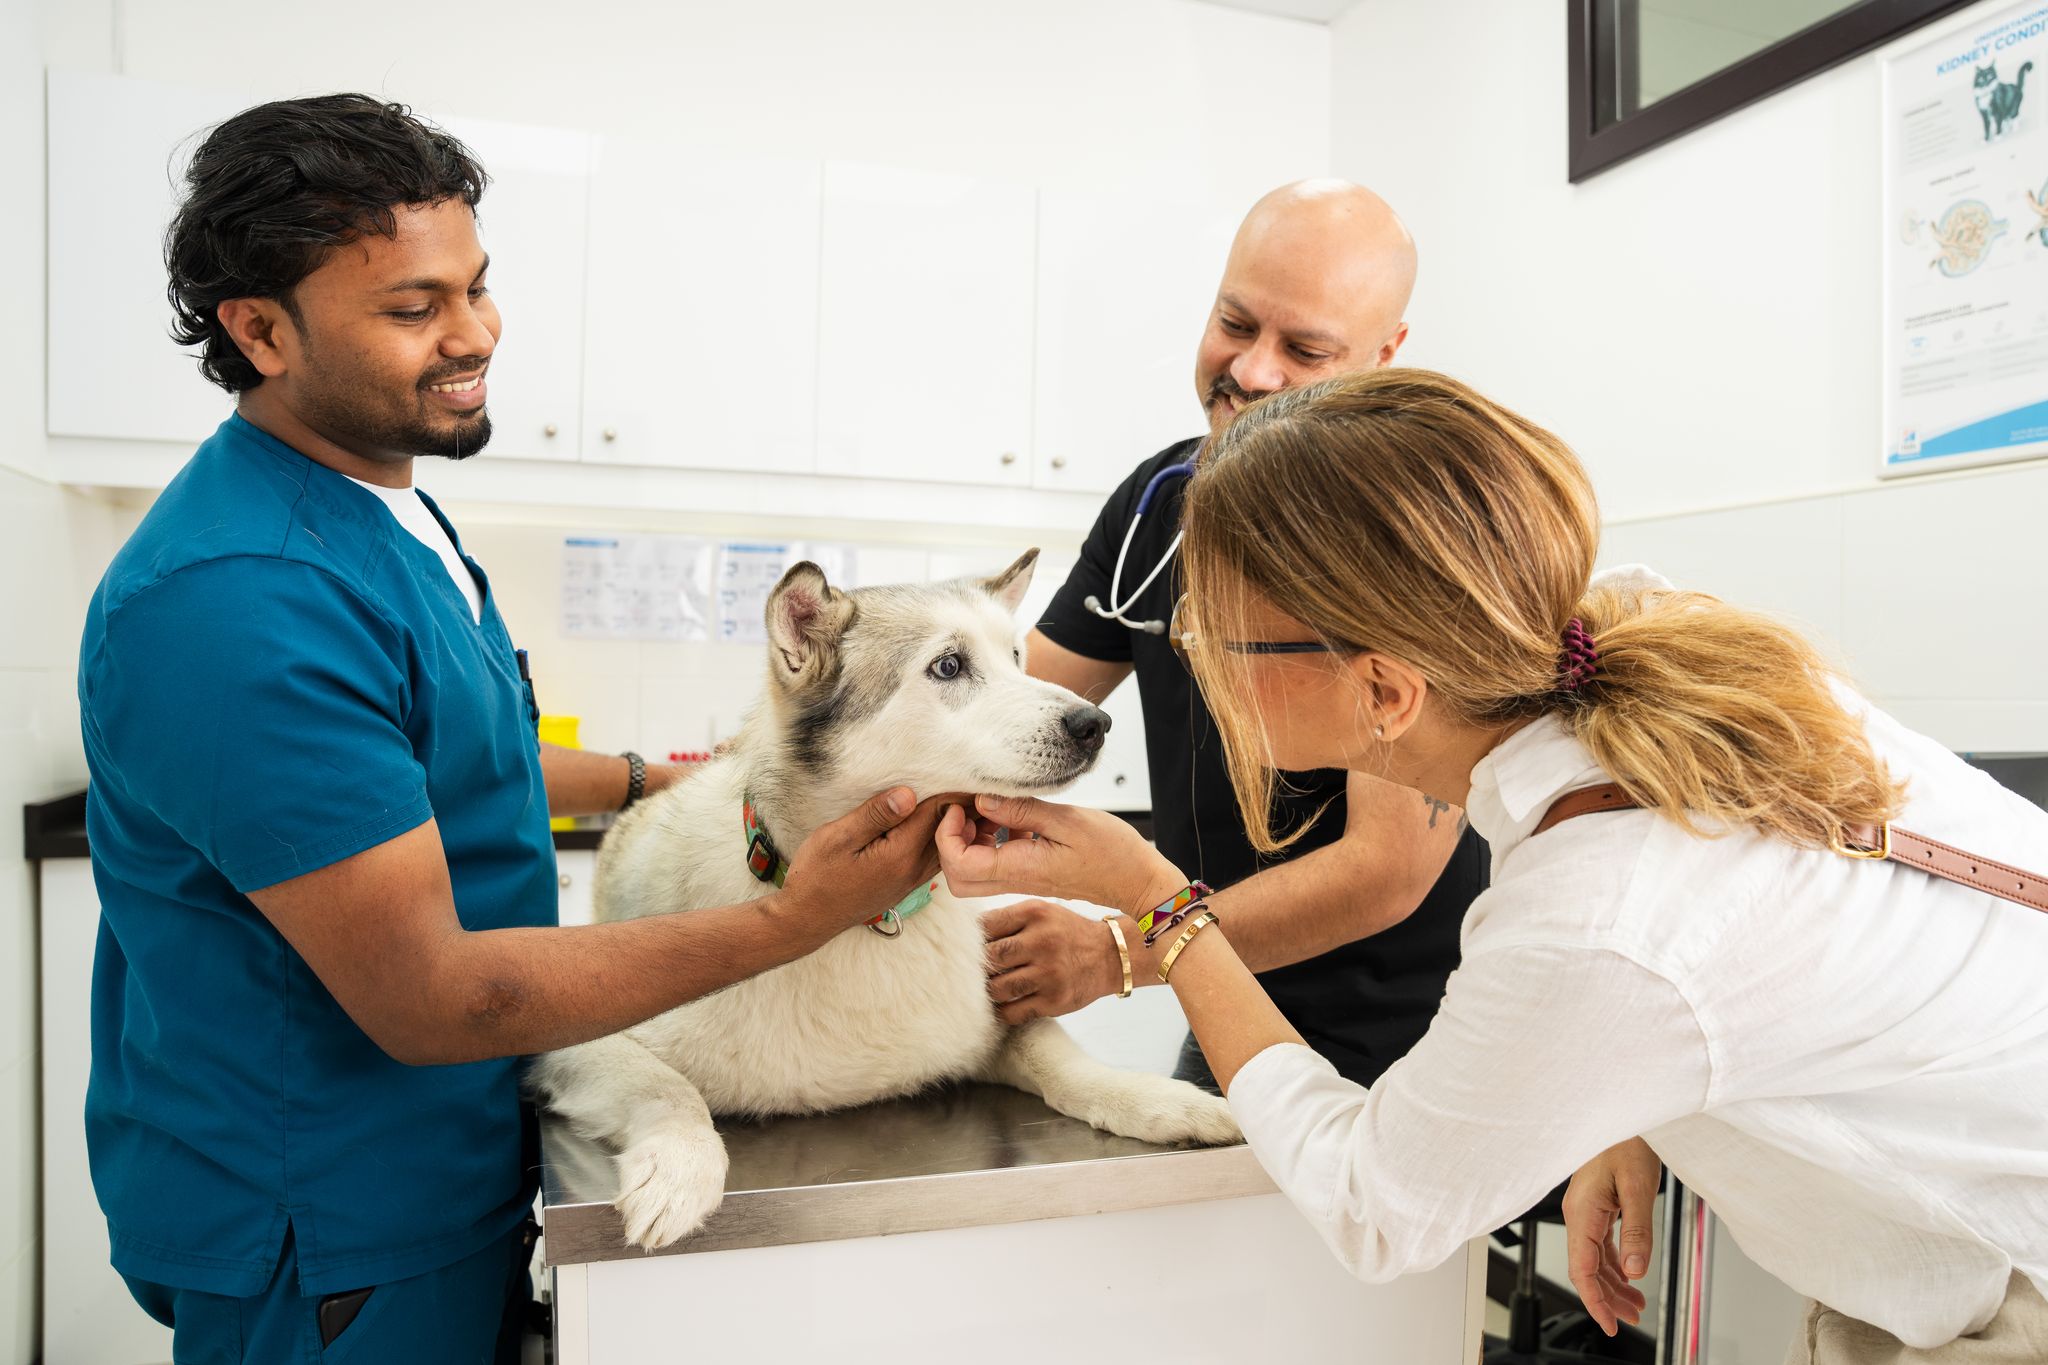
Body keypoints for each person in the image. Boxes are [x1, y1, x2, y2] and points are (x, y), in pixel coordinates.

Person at [939, 368, 2048, 1362]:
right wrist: (1621, 1099)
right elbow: (1736, 936)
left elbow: (1375, 1208)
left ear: (1382, 694)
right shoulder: (1623, 638)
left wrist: (1152, 902)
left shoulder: (1594, 916)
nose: (1193, 663)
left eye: (1214, 639)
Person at [79, 95, 947, 1364]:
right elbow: (438, 993)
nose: (474, 335)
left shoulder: (382, 508)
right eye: (411, 308)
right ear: (261, 331)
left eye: (477, 288)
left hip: (444, 1158)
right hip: (329, 1217)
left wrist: (654, 777)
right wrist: (789, 920)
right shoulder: (238, 597)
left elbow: (432, 759)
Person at [1008, 180, 1487, 1091]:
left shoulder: (1417, 534)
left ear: (1385, 356)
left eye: (1306, 349)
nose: (1256, 371)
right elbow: (1008, 709)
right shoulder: (1157, 505)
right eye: (1236, 324)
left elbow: (1387, 867)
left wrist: (1116, 949)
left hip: (1417, 1041)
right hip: (1231, 1001)